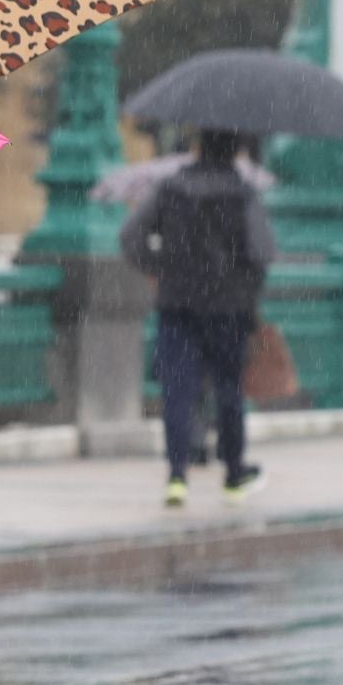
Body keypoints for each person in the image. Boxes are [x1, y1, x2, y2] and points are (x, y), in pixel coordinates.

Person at [119, 128, 276, 508]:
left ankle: (177, 474)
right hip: (227, 308)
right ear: (236, 150)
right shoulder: (242, 193)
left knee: (178, 391)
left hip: (177, 304)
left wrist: (161, 266)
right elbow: (263, 250)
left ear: (197, 147)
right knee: (228, 390)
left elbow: (131, 237)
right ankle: (234, 472)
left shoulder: (171, 188)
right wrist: (244, 288)